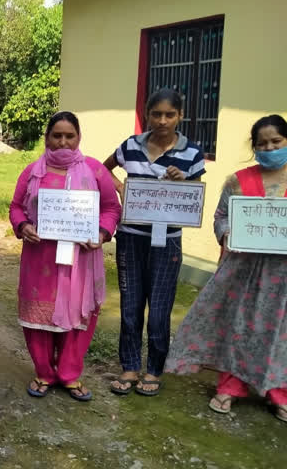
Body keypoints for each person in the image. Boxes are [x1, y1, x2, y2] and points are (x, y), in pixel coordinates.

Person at [164, 115, 287, 422]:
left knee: (281, 332)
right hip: (243, 270)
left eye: (277, 142)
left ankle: (278, 391)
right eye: (263, 144)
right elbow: (220, 217)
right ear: (254, 147)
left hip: (283, 276)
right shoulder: (238, 181)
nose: (269, 148)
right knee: (237, 326)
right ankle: (230, 387)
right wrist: (229, 233)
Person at [9, 112, 122, 401]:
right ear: (47, 137)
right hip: (40, 259)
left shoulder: (96, 171)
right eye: (57, 135)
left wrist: (101, 234)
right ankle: (44, 372)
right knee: (38, 317)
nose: (63, 142)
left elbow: (111, 208)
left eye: (69, 136)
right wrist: (23, 226)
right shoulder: (33, 171)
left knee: (77, 318)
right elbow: (16, 207)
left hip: (80, 260)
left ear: (78, 138)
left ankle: (70, 374)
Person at [104, 88, 206, 396]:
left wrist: (183, 182)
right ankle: (130, 366)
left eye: (169, 114)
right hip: (131, 238)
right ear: (147, 115)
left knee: (160, 309)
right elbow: (102, 168)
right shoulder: (130, 146)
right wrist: (122, 188)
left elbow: (194, 197)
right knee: (131, 304)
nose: (162, 120)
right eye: (156, 114)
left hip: (168, 241)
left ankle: (154, 369)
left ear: (180, 116)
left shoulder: (192, 153)